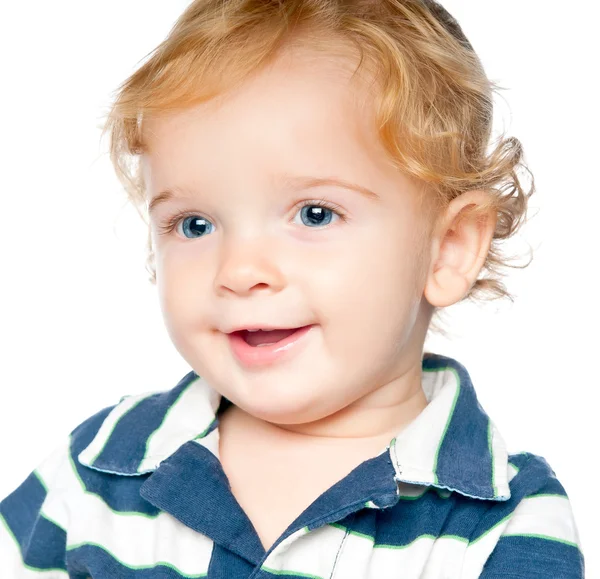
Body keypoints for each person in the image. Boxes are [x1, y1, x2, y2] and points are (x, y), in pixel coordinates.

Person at [0, 0, 585, 577]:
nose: (239, 269)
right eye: (195, 225)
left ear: (449, 246)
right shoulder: (102, 467)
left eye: (313, 214)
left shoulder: (503, 524)